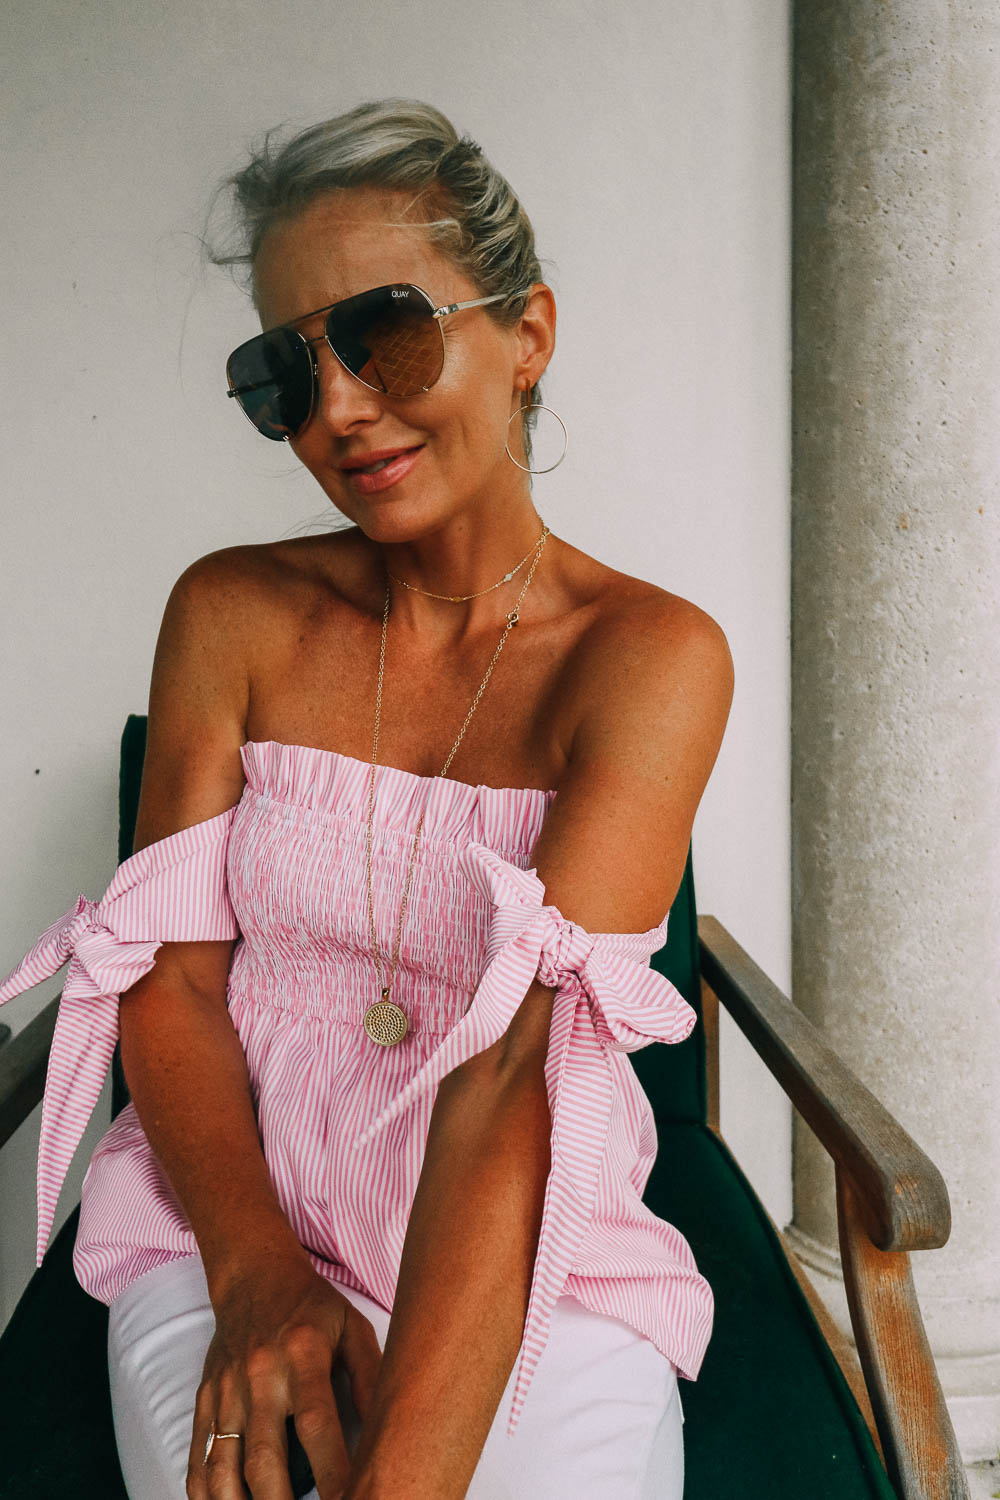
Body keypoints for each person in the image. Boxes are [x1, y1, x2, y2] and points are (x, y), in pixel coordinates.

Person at [0, 98, 734, 1499]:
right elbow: (169, 982)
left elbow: (513, 1070)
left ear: (527, 334)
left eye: (384, 332)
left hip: (525, 1249)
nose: (336, 406)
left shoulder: (650, 659)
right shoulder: (234, 613)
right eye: (285, 369)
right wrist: (261, 1274)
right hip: (230, 1216)